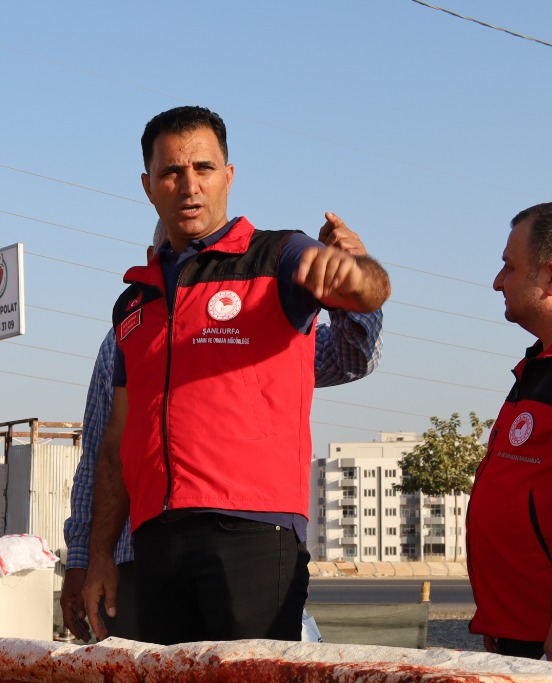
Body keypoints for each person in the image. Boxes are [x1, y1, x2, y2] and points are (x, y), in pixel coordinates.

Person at [82, 106, 390, 645]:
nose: (189, 185)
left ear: (229, 176)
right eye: (171, 173)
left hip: (252, 531)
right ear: (148, 186)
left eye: (203, 168)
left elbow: (365, 292)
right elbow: (115, 442)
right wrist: (99, 554)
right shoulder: (134, 302)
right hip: (155, 540)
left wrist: (359, 270)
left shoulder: (279, 255)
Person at [468, 202, 552, 663]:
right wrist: (501, 615)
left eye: (509, 266)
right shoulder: (547, 360)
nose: (496, 281)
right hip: (525, 628)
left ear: (551, 278)